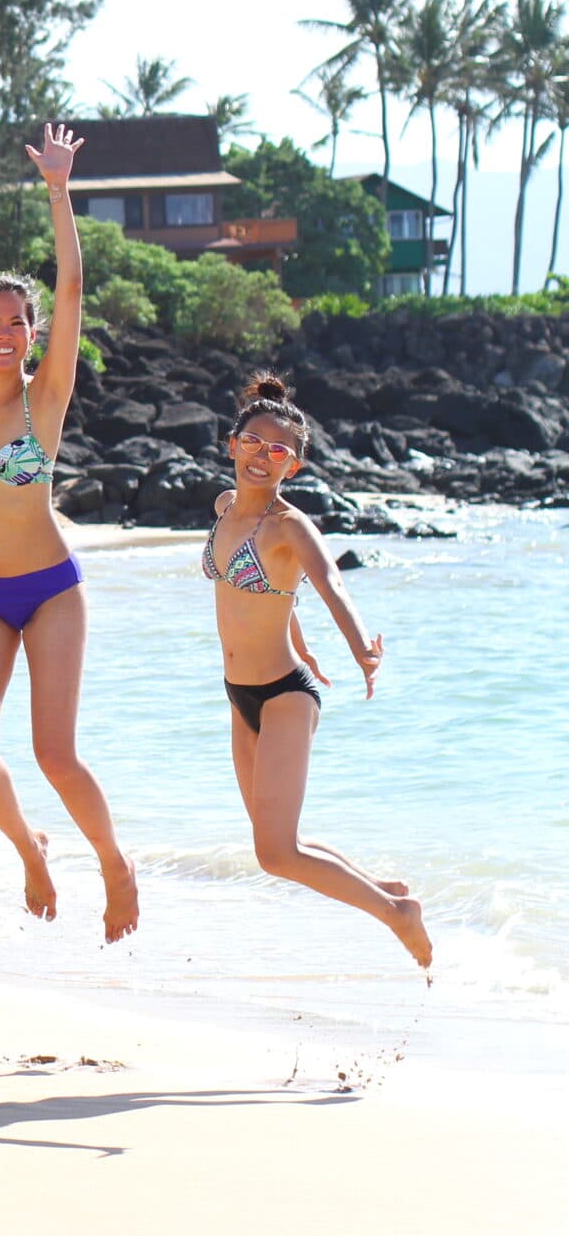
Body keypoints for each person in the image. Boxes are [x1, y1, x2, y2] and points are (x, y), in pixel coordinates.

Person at [0, 110, 138, 942]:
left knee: (55, 753)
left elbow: (74, 287)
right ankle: (30, 851)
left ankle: (115, 863)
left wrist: (60, 190)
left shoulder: (46, 400)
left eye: (19, 321)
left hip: (50, 589)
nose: (6, 332)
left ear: (33, 334)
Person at [203, 376, 429, 967]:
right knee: (276, 842)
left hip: (283, 696)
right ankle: (391, 894)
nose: (263, 456)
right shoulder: (224, 509)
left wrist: (361, 650)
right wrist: (301, 638)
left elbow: (328, 584)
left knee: (276, 852)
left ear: (293, 467)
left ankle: (395, 916)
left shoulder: (290, 527)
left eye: (279, 451)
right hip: (239, 696)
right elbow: (268, 593)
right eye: (254, 443)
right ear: (233, 444)